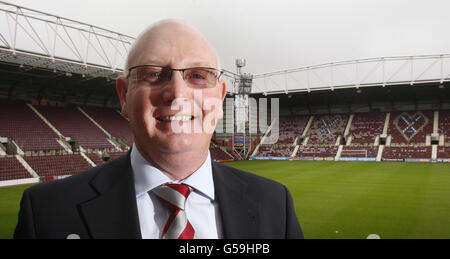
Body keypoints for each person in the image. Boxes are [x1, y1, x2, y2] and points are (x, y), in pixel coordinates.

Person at [14, 19, 303, 239]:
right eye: (153, 74)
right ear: (124, 95)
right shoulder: (46, 213)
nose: (177, 94)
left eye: (198, 76)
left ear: (220, 96)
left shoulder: (275, 205)